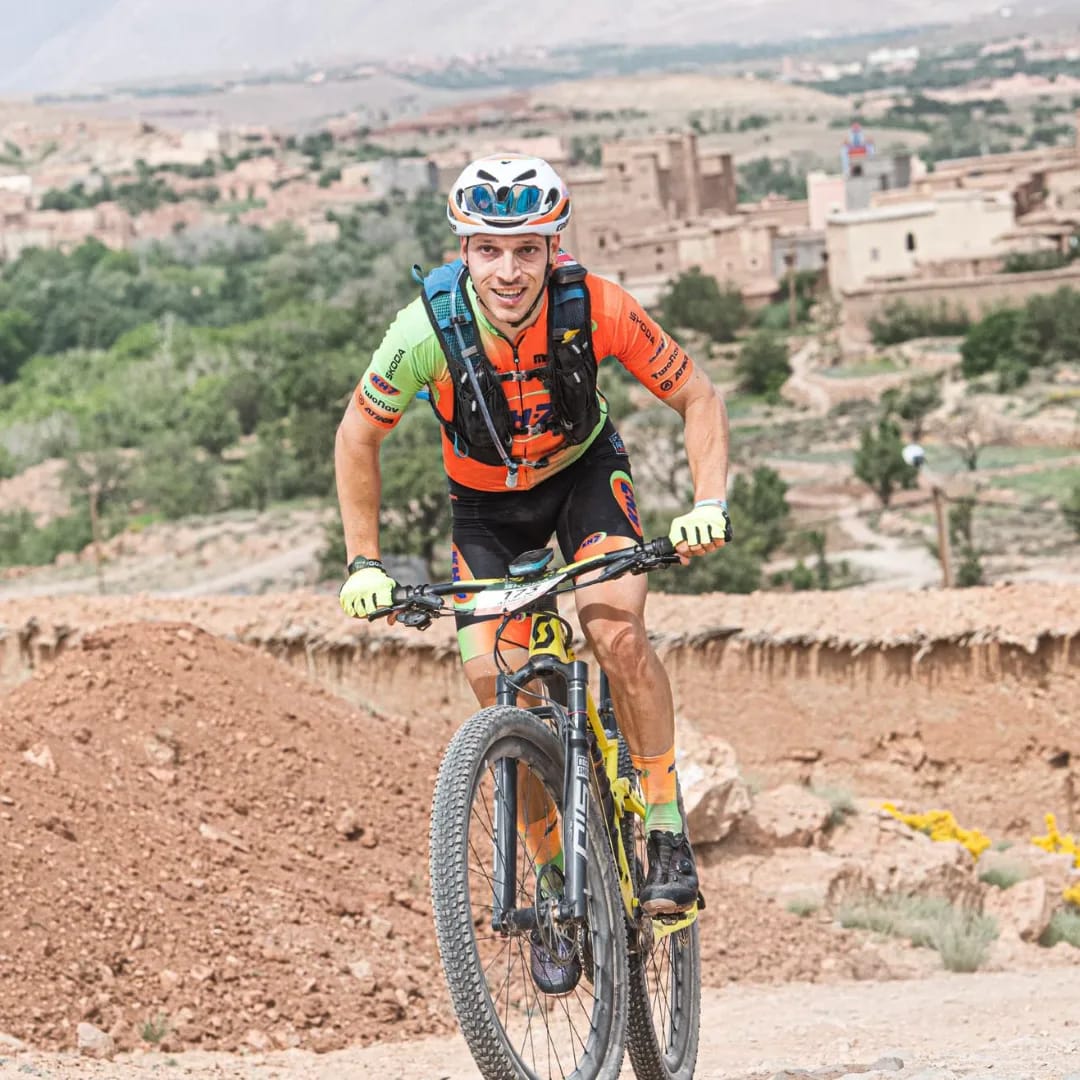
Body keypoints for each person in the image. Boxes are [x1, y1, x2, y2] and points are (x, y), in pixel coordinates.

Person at [335, 154, 730, 971]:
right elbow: (357, 437)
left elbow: (697, 394)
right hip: (486, 513)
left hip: (585, 484)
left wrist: (707, 503)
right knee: (488, 676)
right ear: (463, 250)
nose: (508, 270)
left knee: (616, 635)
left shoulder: (598, 307)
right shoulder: (426, 331)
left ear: (555, 246)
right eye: (488, 250)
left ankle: (662, 824)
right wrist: (361, 562)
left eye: (526, 249)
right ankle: (555, 877)